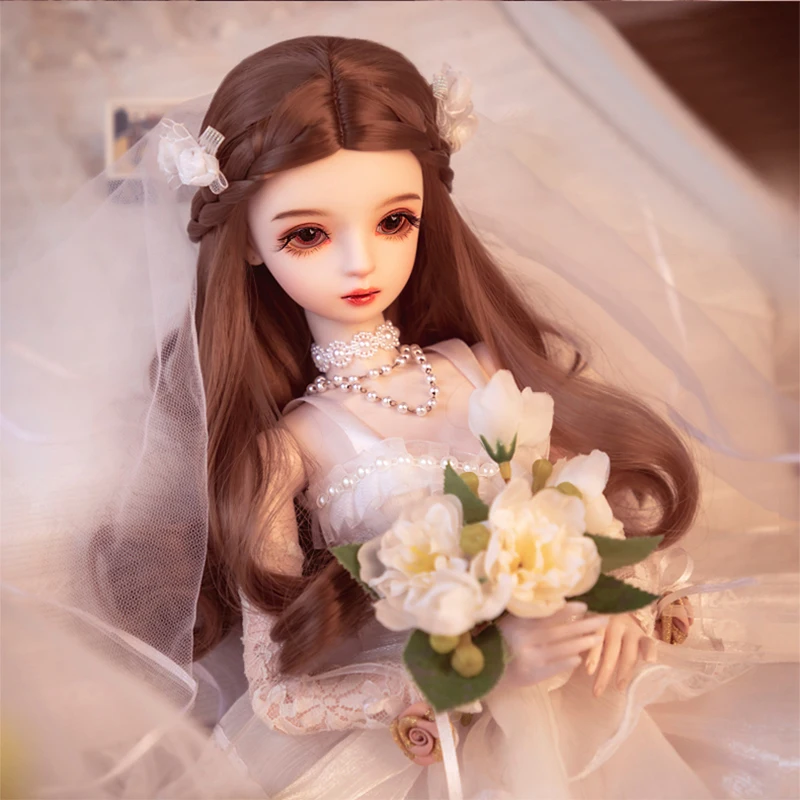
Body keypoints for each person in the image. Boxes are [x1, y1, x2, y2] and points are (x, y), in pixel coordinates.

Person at [3, 34, 796, 799]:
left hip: (595, 700)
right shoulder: (286, 450)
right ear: (247, 243)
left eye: (394, 221)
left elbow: (576, 506)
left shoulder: (481, 367)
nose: (361, 261)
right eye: (308, 234)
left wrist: (616, 600)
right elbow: (280, 698)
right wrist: (478, 672)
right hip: (441, 747)